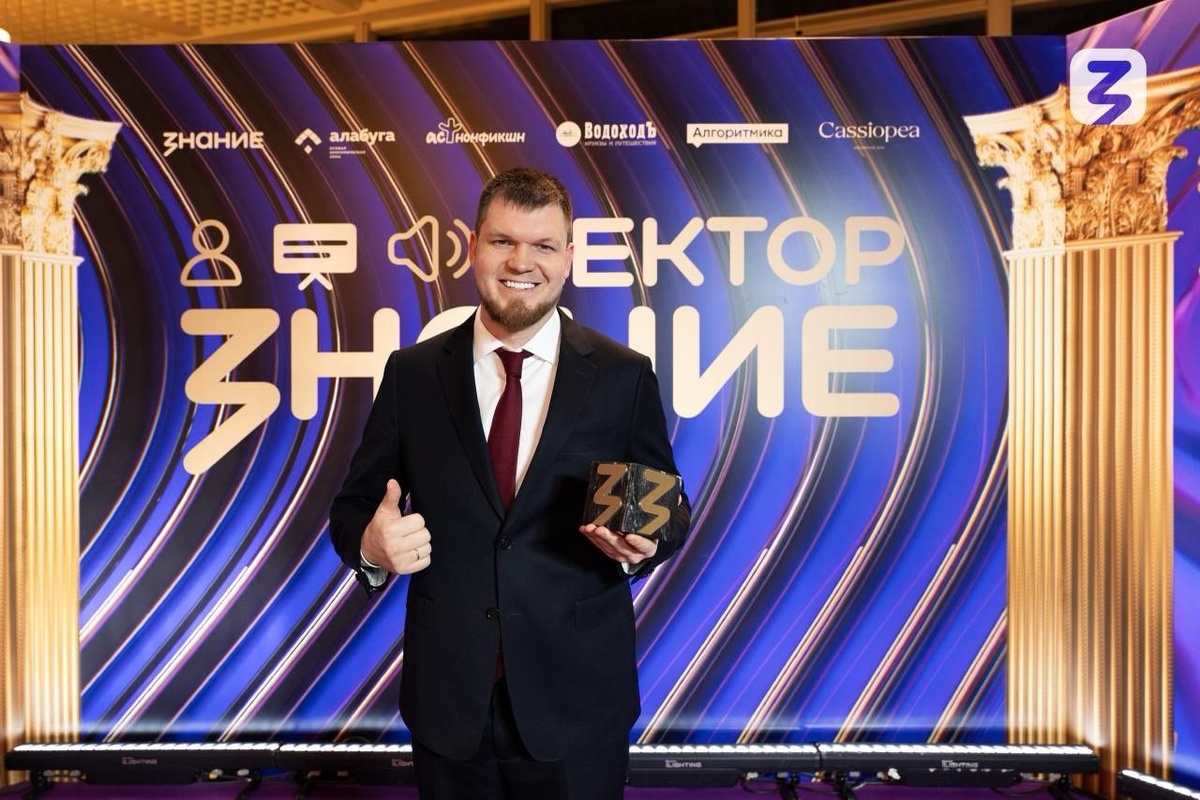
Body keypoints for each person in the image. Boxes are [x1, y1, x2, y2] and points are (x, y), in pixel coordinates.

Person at [329, 166, 691, 800]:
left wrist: (645, 543)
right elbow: (356, 504)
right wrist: (370, 546)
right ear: (473, 248)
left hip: (577, 697)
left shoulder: (622, 375)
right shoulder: (414, 374)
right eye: (503, 241)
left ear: (568, 257)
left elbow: (669, 507)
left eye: (543, 245)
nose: (522, 262)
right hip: (450, 699)